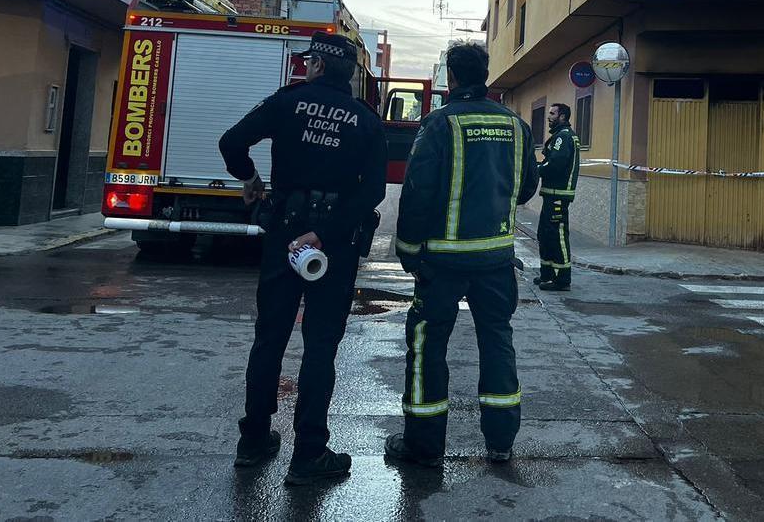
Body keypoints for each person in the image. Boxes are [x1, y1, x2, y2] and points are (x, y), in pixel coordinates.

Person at [218, 32, 387, 485]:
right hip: (334, 244)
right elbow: (373, 190)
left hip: (284, 234)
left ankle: (253, 440)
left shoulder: (287, 103)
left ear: (316, 66)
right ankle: (308, 454)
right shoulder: (365, 120)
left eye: (309, 62)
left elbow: (231, 142)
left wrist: (250, 178)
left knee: (270, 337)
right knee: (321, 344)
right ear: (349, 73)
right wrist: (326, 233)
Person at [385, 42, 539, 467]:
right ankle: (501, 443)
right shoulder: (516, 125)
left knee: (428, 346)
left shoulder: (439, 123)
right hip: (496, 260)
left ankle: (424, 445)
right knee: (497, 341)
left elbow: (417, 192)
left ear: (451, 77)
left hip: (442, 262)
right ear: (485, 74)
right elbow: (527, 187)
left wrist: (409, 253)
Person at [535, 103, 580, 291]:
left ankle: (562, 280)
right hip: (551, 195)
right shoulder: (560, 135)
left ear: (562, 116)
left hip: (558, 195)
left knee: (557, 235)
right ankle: (547, 274)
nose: (549, 117)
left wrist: (535, 170)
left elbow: (555, 164)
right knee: (545, 234)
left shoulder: (563, 137)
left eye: (553, 113)